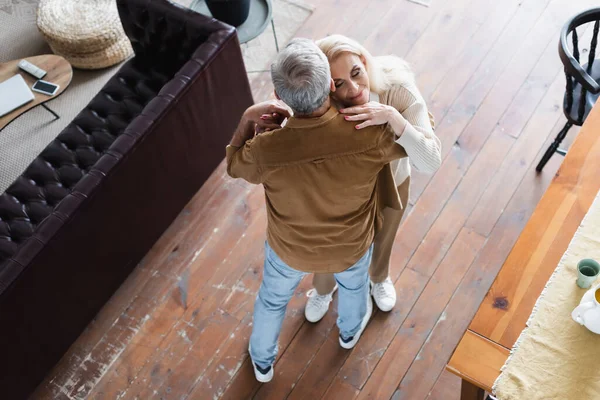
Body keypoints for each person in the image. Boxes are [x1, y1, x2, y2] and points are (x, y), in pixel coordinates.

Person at [226, 38, 408, 383]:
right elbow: (417, 131)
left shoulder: (266, 148)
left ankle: (262, 362)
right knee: (354, 289)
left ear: (279, 98)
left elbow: (235, 165)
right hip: (351, 246)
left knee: (272, 301)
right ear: (330, 85)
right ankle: (348, 332)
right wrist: (389, 114)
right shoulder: (370, 134)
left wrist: (248, 119)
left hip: (288, 250)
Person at [301, 34, 442, 322]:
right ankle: (324, 289)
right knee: (330, 243)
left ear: (365, 61)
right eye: (338, 84)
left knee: (386, 233)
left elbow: (429, 161)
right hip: (342, 193)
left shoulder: (397, 89)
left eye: (356, 73)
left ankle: (378, 277)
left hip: (393, 182)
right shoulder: (319, 107)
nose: (353, 89)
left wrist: (393, 118)